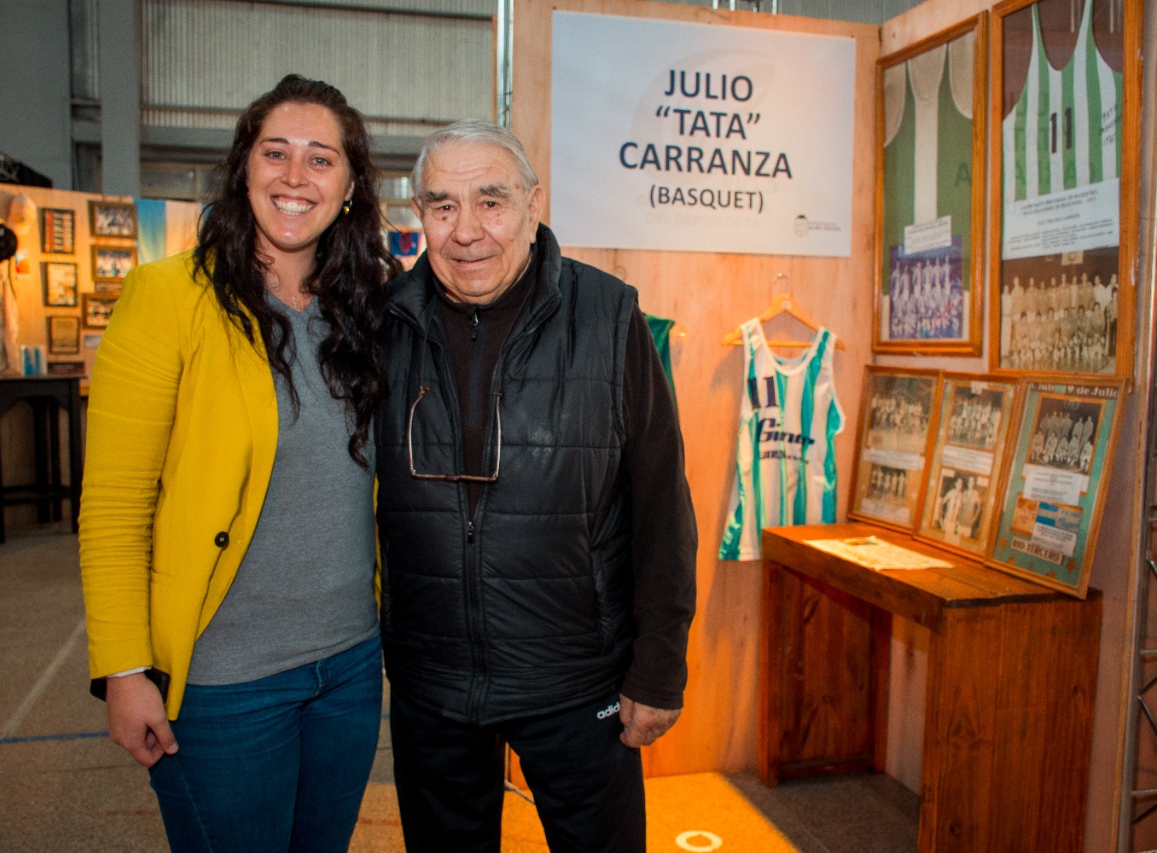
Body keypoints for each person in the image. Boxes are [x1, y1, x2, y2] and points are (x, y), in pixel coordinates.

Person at [79, 74, 401, 851]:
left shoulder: (372, 310)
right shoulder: (169, 298)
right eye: (275, 153)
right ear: (243, 168)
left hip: (350, 670)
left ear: (351, 186)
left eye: (321, 159)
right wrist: (124, 668)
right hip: (224, 683)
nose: (295, 176)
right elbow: (116, 503)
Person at [373, 119, 698, 853]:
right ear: (418, 214)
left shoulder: (610, 317)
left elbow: (661, 507)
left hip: (578, 676)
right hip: (434, 681)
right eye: (442, 205)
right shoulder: (382, 324)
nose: (467, 231)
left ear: (532, 204)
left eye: (491, 201)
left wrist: (660, 666)